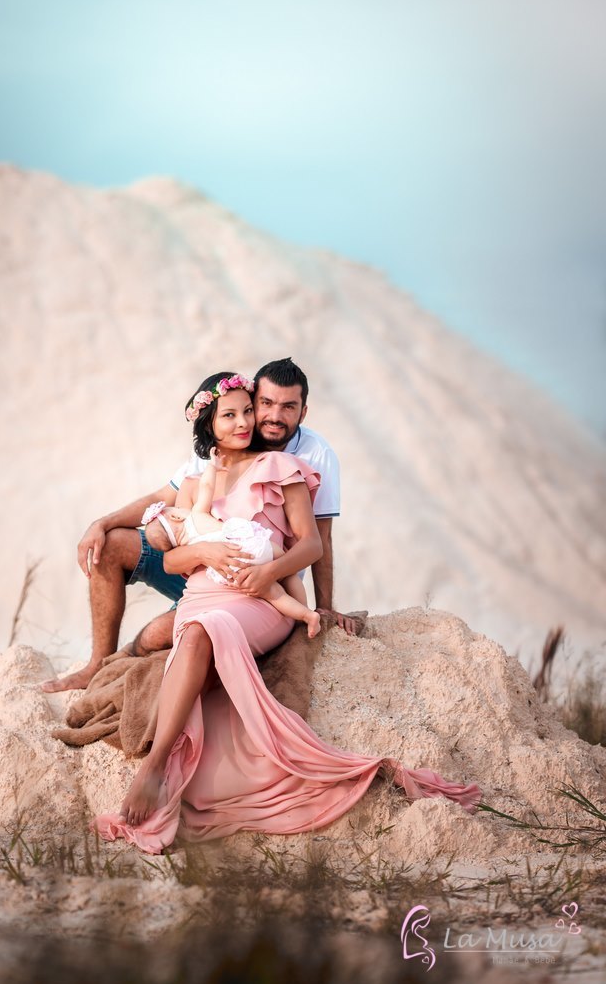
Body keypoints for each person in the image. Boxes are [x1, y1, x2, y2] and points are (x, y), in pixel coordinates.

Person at [92, 372, 480, 852]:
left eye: (246, 412)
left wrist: (277, 579)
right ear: (209, 426)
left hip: (259, 597)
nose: (244, 422)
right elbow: (171, 558)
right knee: (190, 630)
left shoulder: (282, 466)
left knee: (199, 634)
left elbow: (314, 543)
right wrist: (202, 555)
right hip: (202, 590)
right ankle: (170, 753)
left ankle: (156, 767)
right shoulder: (195, 484)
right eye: (230, 414)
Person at [41, 358, 356, 694]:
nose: (272, 416)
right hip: (197, 562)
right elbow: (166, 494)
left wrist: (325, 606)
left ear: (303, 412)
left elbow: (319, 538)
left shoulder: (312, 455)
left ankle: (138, 655)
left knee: (158, 635)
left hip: (252, 579)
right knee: (111, 543)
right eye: (263, 404)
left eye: (288, 407)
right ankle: (96, 666)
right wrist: (101, 523)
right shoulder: (225, 442)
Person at [142, 447, 322, 638]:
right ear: (176, 517)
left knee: (274, 594)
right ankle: (305, 611)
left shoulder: (186, 545)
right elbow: (206, 488)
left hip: (236, 570)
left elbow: (175, 563)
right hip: (253, 545)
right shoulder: (196, 515)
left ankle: (306, 616)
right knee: (288, 574)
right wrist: (213, 466)